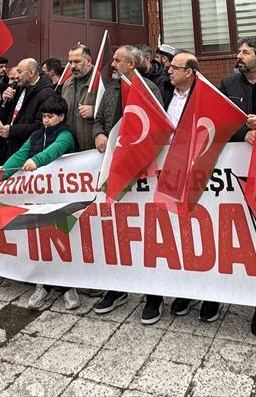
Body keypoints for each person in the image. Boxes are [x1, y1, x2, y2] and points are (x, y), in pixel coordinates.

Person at [92, 45, 163, 317]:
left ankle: (153, 297)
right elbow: (98, 120)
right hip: (114, 168)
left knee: (147, 236)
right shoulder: (110, 90)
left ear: (131, 64)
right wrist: (99, 134)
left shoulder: (149, 89)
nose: (113, 63)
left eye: (118, 59)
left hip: (142, 170)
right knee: (116, 233)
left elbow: (158, 123)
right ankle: (117, 288)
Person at [152, 52, 219, 325]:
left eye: (175, 68)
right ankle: (186, 290)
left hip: (199, 175)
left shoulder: (207, 95)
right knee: (180, 235)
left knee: (205, 235)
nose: (169, 71)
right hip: (170, 172)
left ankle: (210, 296)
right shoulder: (166, 93)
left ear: (190, 72)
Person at [3, 94, 81, 312]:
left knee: (64, 239)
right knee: (41, 239)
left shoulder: (66, 134)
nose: (46, 121)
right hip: (38, 197)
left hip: (62, 198)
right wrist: (0, 175)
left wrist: (36, 161)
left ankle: (68, 286)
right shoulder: (36, 135)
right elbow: (20, 155)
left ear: (62, 116)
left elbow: (54, 151)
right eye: (44, 116)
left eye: (51, 117)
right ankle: (43, 283)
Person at [0, 59, 53, 157]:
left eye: (20, 72)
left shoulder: (46, 94)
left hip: (28, 149)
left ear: (31, 73)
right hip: (11, 145)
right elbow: (7, 116)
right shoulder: (20, 88)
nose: (17, 76)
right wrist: (5, 101)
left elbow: (40, 125)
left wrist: (12, 131)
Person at [61, 44, 97, 149]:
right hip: (69, 144)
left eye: (77, 62)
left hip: (91, 147)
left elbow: (113, 113)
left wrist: (94, 110)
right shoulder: (67, 84)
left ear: (89, 61)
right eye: (70, 62)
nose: (72, 66)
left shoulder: (100, 81)